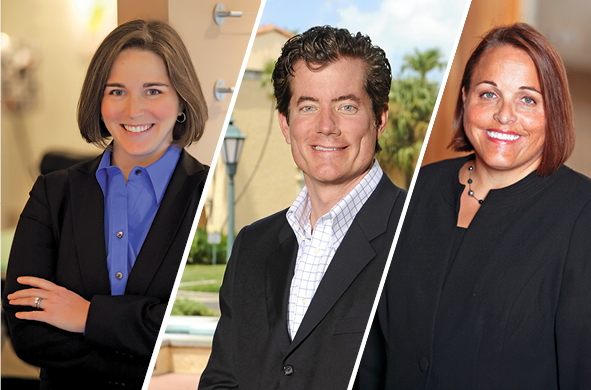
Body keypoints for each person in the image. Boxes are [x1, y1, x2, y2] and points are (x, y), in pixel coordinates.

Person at [358, 22, 591, 389]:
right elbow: (368, 353)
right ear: (465, 97)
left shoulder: (581, 216)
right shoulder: (412, 192)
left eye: (528, 99)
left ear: (554, 113)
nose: (504, 115)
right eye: (488, 94)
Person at [2, 19, 209, 389]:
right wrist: (140, 356)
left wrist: (86, 316)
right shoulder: (53, 193)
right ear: (99, 102)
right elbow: (26, 328)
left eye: (153, 91)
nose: (133, 110)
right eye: (116, 92)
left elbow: (199, 327)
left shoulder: (205, 194)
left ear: (181, 101)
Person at [198, 26, 406, 389]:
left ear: (380, 119)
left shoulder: (416, 234)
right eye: (308, 106)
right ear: (285, 123)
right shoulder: (251, 246)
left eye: (346, 106)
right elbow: (221, 378)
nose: (326, 126)